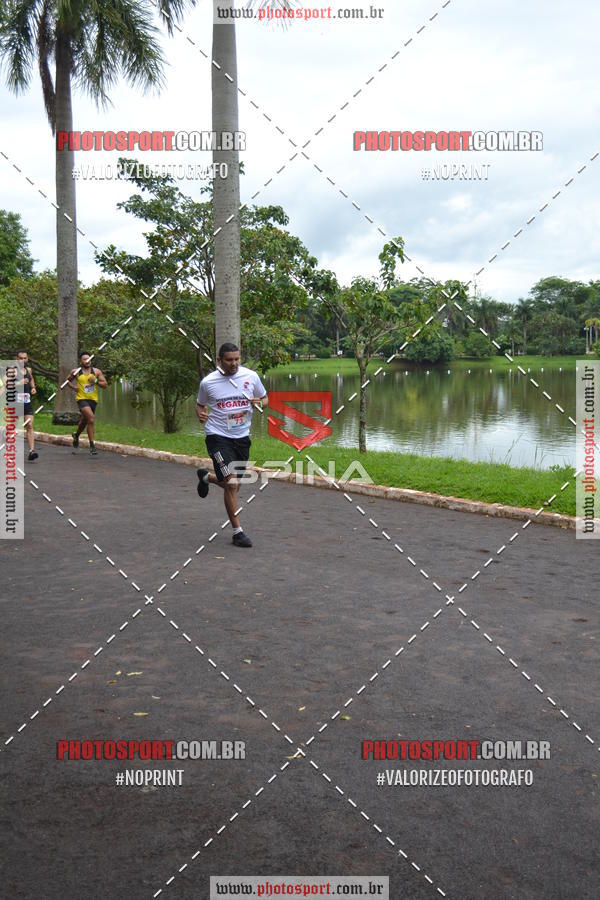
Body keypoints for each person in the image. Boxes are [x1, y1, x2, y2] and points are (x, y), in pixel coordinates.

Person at [195, 343, 268, 548]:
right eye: (229, 360)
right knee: (232, 483)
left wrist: (259, 403)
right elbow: (200, 404)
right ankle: (238, 532)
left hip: (241, 438)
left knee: (233, 484)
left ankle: (206, 477)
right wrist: (200, 414)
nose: (234, 363)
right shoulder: (208, 382)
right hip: (218, 437)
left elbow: (265, 398)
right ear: (219, 360)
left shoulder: (250, 376)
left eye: (237, 359)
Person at [67, 352, 107, 455]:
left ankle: (76, 435)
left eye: (88, 359)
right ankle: (92, 446)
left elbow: (105, 385)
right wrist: (74, 387)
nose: (87, 361)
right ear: (81, 361)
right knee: (91, 418)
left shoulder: (96, 371)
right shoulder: (76, 372)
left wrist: (96, 381)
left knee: (85, 421)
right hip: (81, 399)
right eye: (84, 359)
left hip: (93, 400)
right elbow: (68, 381)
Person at [16, 350, 39, 461]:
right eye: (21, 358)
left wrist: (33, 387)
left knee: (29, 425)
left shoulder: (28, 370)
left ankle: (31, 451)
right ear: (17, 359)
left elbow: (31, 379)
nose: (23, 360)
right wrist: (19, 383)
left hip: (26, 402)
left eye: (25, 358)